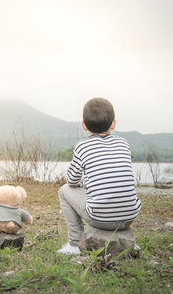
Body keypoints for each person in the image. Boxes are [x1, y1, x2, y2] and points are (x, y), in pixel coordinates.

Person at [57, 98, 141, 255]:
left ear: (83, 125)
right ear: (113, 123)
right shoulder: (123, 143)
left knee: (63, 190)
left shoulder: (82, 146)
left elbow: (72, 181)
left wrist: (85, 183)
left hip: (100, 219)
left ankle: (74, 244)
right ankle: (128, 241)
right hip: (129, 218)